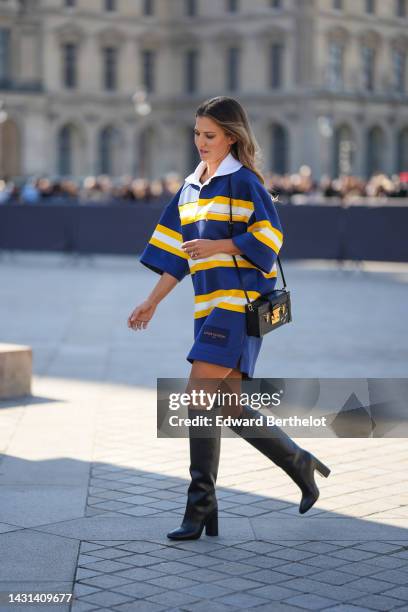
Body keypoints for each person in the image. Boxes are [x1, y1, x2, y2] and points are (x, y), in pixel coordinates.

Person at [128, 96, 331, 541]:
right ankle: (300, 465)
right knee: (230, 406)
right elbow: (174, 257)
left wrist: (219, 247)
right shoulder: (189, 188)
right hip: (207, 309)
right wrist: (153, 301)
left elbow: (269, 237)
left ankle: (199, 506)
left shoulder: (242, 181)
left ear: (232, 137)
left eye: (210, 135)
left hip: (237, 306)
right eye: (197, 133)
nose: (200, 142)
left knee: (198, 399)